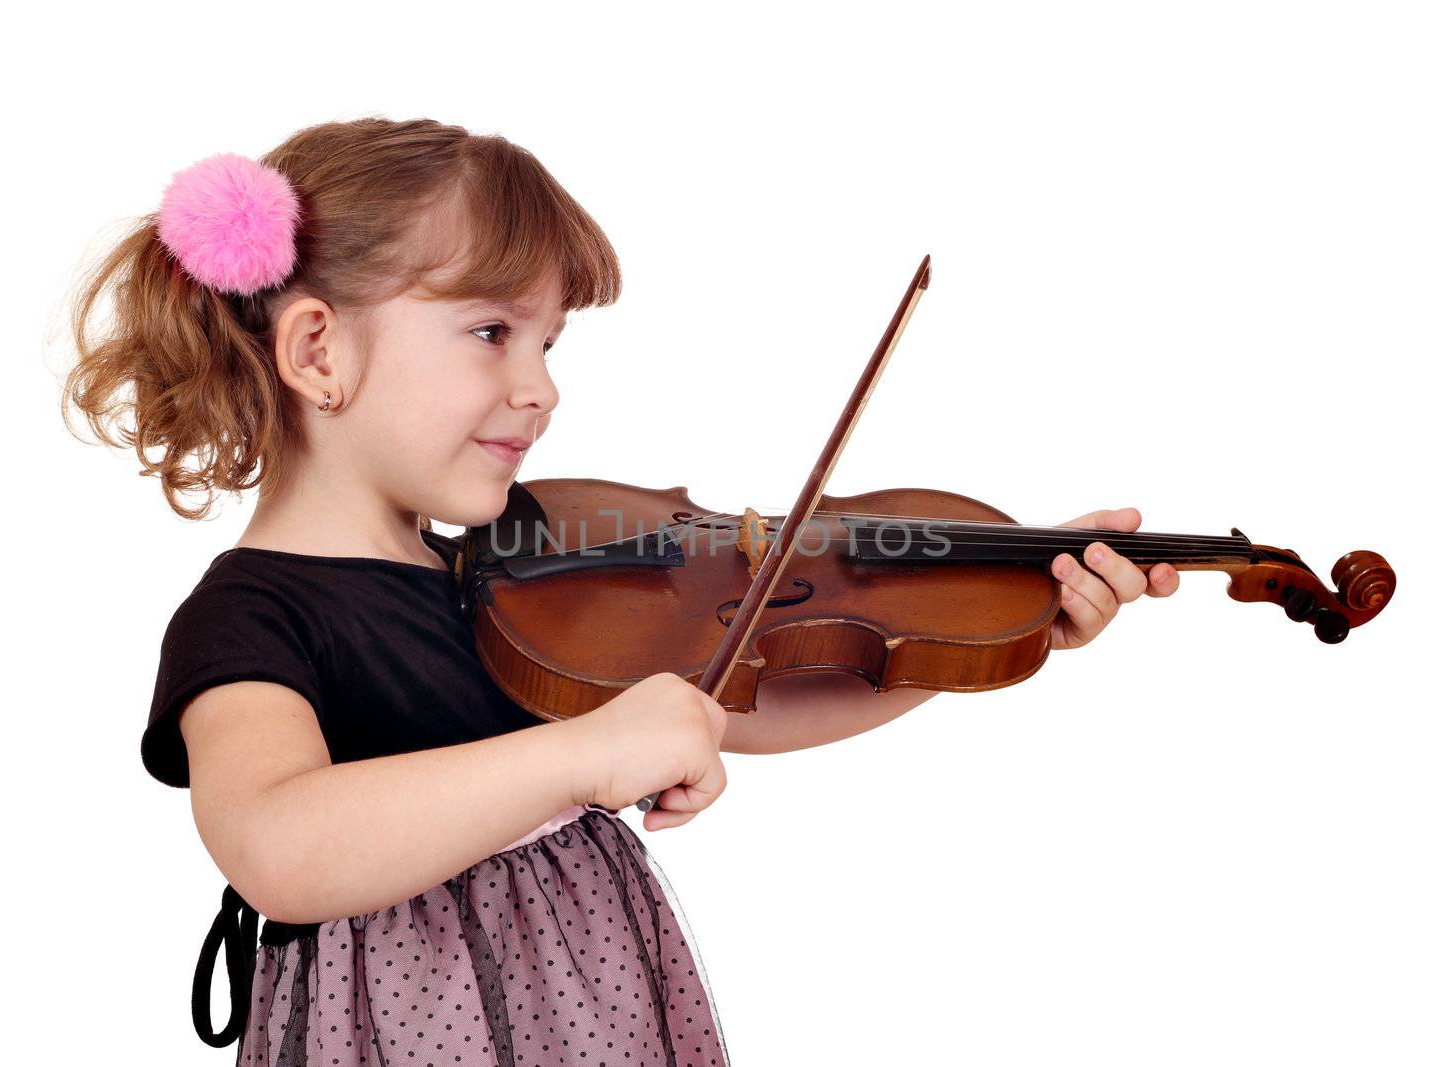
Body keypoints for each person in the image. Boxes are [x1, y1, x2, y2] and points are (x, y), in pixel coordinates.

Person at [59, 116, 1178, 1067]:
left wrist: (987, 622)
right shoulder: (254, 615)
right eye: (493, 331)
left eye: (548, 341)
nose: (540, 386)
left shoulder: (514, 564)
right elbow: (279, 847)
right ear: (316, 350)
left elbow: (741, 697)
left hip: (597, 1005)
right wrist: (584, 752)